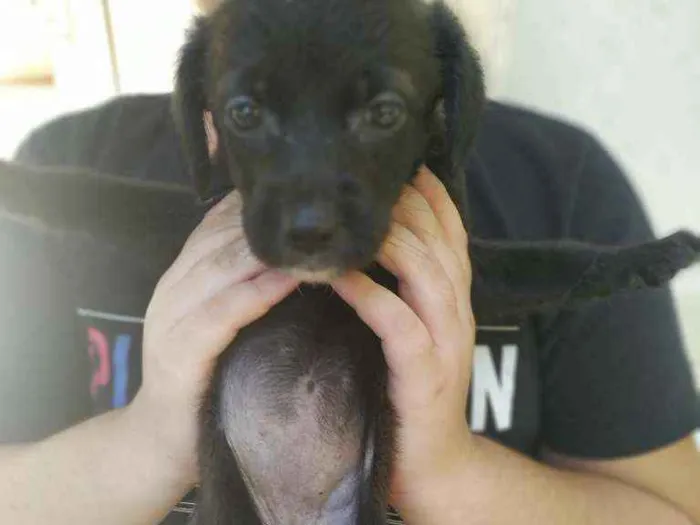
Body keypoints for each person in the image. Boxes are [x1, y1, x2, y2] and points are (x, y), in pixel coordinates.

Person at [1, 1, 699, 524]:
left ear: (446, 105)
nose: (311, 213)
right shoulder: (60, 169)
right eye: (248, 111)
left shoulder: (564, 188)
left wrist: (446, 470)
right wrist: (150, 439)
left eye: (381, 111)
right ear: (201, 108)